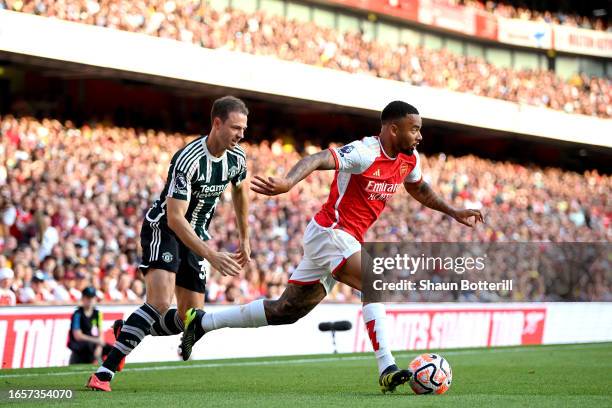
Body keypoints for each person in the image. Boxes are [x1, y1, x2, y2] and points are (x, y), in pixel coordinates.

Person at [181, 101, 484, 393]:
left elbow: (419, 187)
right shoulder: (365, 152)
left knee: (286, 310)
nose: (419, 135)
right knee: (373, 280)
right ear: (393, 129)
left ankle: (203, 322)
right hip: (330, 231)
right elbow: (317, 160)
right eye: (414, 129)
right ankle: (386, 368)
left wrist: (453, 211)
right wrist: (288, 182)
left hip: (342, 239)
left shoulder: (409, 159)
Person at [87, 96, 252, 391]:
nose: (241, 135)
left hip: (197, 235)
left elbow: (241, 191)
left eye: (244, 128)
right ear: (217, 123)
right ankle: (104, 372)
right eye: (236, 128)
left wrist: (245, 237)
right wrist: (212, 255)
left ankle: (127, 331)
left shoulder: (236, 158)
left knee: (190, 318)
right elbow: (175, 218)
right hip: (165, 228)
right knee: (160, 302)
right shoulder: (187, 159)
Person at [68, 287, 113, 365]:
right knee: (90, 346)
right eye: (88, 297)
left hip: (92, 342)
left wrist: (99, 346)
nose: (90, 300)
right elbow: (77, 336)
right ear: (83, 298)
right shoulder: (77, 314)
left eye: (92, 297)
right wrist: (96, 341)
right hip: (79, 345)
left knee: (111, 349)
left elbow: (100, 334)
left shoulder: (97, 314)